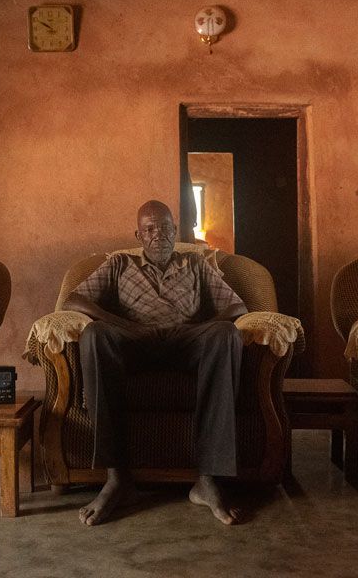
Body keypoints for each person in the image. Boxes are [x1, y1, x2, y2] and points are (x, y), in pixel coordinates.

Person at [63, 200, 248, 526]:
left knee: (226, 334)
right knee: (93, 334)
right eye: (149, 229)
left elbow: (236, 308)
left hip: (185, 342)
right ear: (138, 235)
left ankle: (207, 480)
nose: (158, 235)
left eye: (165, 227)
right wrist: (124, 326)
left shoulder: (196, 263)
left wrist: (200, 329)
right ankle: (117, 479)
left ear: (176, 231)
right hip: (134, 343)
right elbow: (74, 299)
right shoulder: (119, 264)